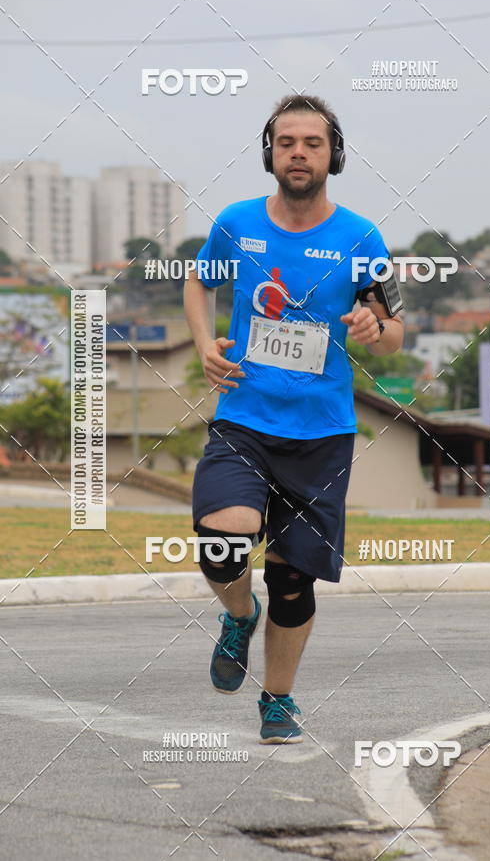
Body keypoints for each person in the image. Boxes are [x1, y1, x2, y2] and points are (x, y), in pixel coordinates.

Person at [183, 94, 405, 744]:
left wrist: (375, 326)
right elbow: (200, 282)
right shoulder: (236, 223)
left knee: (291, 580)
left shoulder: (360, 239)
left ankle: (277, 700)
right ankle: (236, 612)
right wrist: (202, 343)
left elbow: (392, 331)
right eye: (286, 142)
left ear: (334, 154)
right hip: (244, 418)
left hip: (322, 433)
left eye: (312, 142)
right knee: (224, 542)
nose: (299, 152)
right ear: (269, 154)